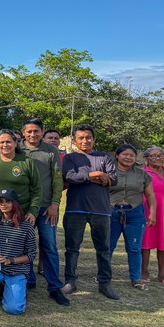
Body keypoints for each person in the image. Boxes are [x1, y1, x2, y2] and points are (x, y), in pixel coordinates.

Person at [62, 124, 119, 300]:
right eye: (81, 138)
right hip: (75, 209)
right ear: (74, 141)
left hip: (101, 211)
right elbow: (70, 177)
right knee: (72, 248)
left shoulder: (104, 157)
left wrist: (87, 177)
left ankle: (105, 283)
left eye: (88, 137)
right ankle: (70, 281)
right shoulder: (70, 158)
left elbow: (114, 179)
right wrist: (94, 175)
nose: (85, 141)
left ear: (93, 139)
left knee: (103, 249)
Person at [19, 118, 70, 305]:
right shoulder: (17, 150)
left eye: (36, 131)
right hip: (24, 207)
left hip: (47, 206)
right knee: (25, 245)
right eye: (29, 131)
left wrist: (55, 203)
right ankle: (28, 280)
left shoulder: (51, 151)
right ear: (23, 132)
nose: (33, 135)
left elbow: (57, 179)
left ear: (42, 132)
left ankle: (54, 286)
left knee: (49, 246)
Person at [0, 190, 37, 315]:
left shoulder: (26, 227)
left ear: (15, 203)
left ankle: (15, 290)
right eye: (0, 202)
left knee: (14, 310)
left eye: (7, 201)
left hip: (17, 271)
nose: (3, 204)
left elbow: (31, 255)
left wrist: (10, 260)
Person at [111, 144, 156, 289]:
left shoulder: (142, 174)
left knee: (134, 248)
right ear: (117, 155)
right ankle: (103, 276)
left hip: (135, 214)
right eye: (125, 154)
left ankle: (135, 278)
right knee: (108, 246)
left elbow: (150, 195)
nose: (128, 157)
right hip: (112, 212)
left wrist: (152, 213)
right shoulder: (108, 171)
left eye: (132, 155)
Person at [0, 129, 42, 225]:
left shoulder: (27, 162)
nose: (5, 144)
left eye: (8, 141)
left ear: (15, 143)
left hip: (20, 216)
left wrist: (33, 211)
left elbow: (37, 189)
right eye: (2, 142)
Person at [141, 146, 164, 285]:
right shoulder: (142, 173)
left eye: (161, 155)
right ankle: (144, 271)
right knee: (146, 242)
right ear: (146, 159)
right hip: (147, 211)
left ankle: (162, 274)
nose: (158, 158)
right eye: (154, 156)